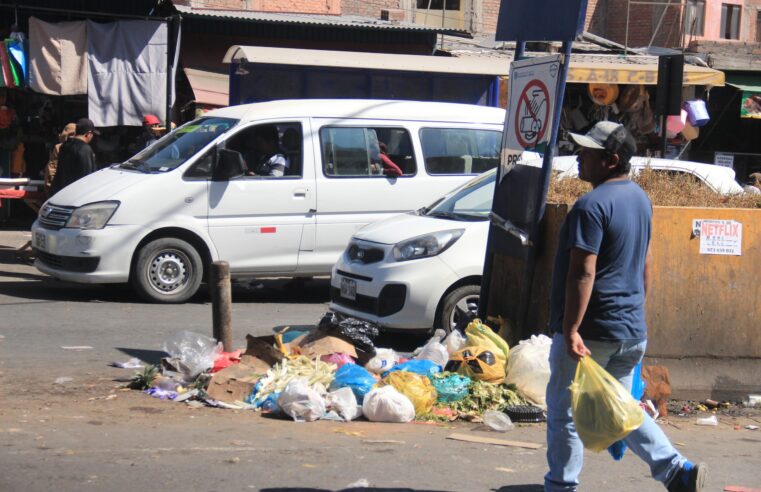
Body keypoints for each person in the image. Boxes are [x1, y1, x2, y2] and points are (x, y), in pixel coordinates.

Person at [544, 121, 706, 492]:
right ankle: (676, 470)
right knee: (621, 410)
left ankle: (560, 486)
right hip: (629, 330)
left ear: (611, 160)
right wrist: (635, 311)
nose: (580, 159)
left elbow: (583, 272)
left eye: (587, 153)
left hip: (592, 333)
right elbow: (646, 263)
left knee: (565, 411)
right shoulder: (640, 199)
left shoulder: (590, 206)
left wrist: (571, 329)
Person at [49, 118, 98, 196]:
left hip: (61, 192)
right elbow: (87, 176)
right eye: (92, 134)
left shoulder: (64, 146)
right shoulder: (85, 149)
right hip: (76, 195)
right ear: (88, 134)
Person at [43, 122, 76, 196]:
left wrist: (49, 187)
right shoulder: (81, 148)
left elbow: (51, 169)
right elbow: (52, 168)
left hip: (61, 188)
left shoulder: (59, 147)